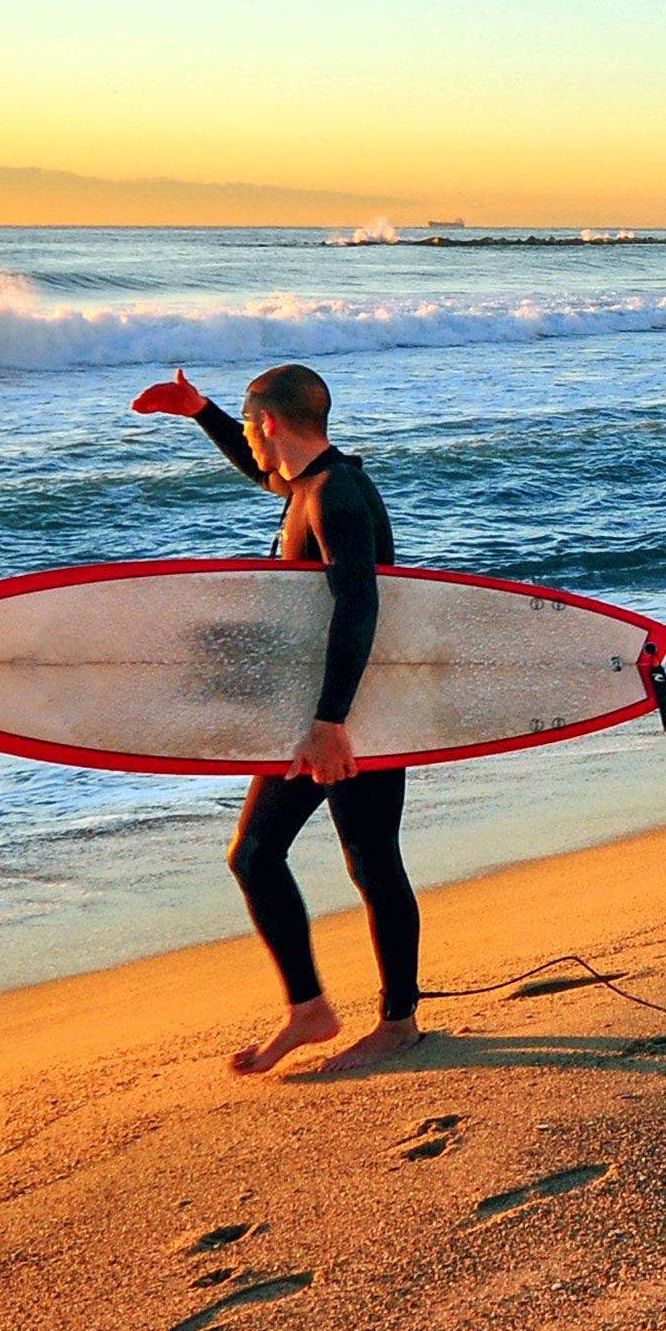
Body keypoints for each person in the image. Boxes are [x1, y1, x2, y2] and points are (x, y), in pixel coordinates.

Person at [131, 361, 425, 1075]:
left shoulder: (336, 499)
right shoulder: (311, 482)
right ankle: (338, 1013)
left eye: (247, 425)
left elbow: (360, 607)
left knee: (328, 859)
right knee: (307, 859)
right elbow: (261, 471)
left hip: (346, 713)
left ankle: (371, 1019)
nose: (249, 444)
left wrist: (330, 723)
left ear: (270, 422)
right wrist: (200, 411)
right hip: (333, 709)